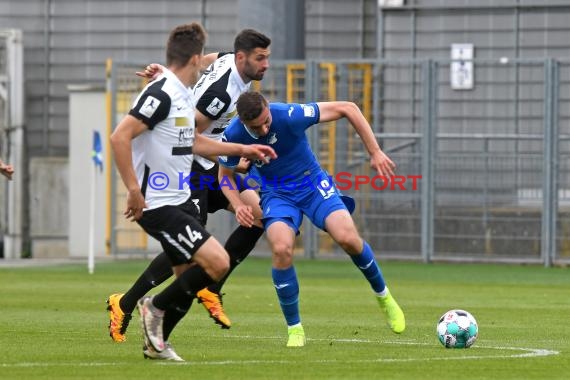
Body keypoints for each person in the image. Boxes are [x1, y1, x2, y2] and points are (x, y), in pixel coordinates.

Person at [109, 24, 276, 361]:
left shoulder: (186, 89)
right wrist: (131, 189)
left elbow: (193, 138)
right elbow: (120, 137)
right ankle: (150, 305)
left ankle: (157, 342)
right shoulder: (180, 94)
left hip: (186, 184)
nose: (266, 64)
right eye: (261, 58)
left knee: (187, 275)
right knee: (215, 261)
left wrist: (242, 148)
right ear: (196, 59)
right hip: (168, 192)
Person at [218, 91, 405, 347]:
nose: (263, 129)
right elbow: (224, 176)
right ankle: (295, 329)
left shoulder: (289, 115)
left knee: (348, 238)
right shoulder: (233, 134)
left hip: (312, 184)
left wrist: (375, 152)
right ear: (242, 122)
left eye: (266, 121)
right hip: (277, 194)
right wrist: (238, 204)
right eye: (255, 127)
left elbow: (348, 107)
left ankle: (384, 297)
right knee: (281, 249)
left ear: (268, 109)